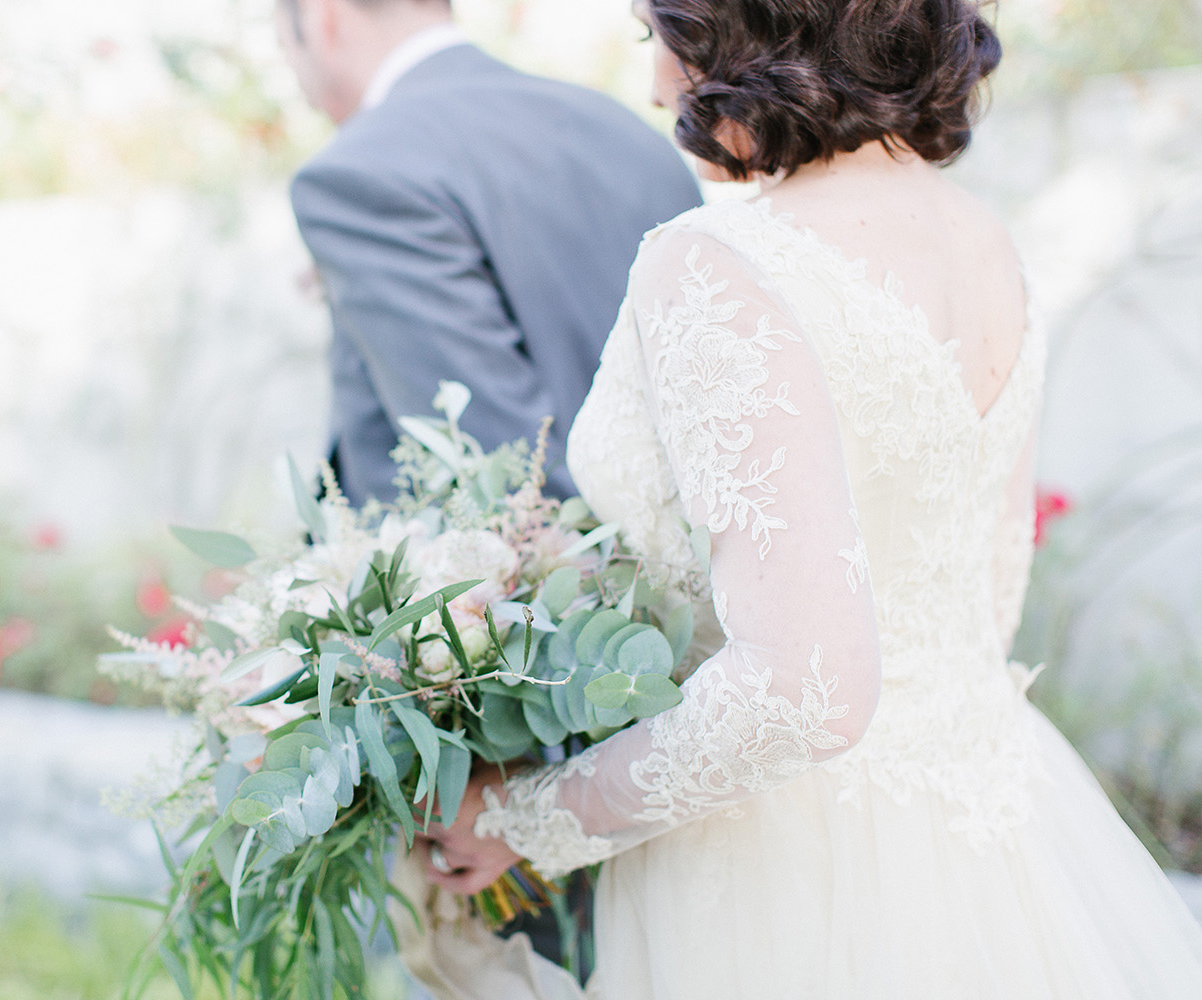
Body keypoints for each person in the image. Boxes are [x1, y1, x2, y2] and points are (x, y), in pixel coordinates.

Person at [396, 0, 1202, 997]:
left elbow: (801, 688)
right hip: (990, 831)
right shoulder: (985, 244)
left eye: (661, 36)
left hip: (780, 874)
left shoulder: (717, 265)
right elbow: (987, 596)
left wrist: (525, 813)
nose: (657, 86)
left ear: (748, 27)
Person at [275, 0, 702, 505]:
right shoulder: (626, 130)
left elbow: (496, 472)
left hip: (519, 573)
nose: (291, 73)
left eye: (282, 44)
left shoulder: (359, 174)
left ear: (324, 19)